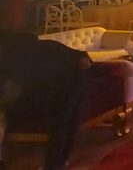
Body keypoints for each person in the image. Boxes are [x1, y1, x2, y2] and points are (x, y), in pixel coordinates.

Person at [1, 30, 91, 170]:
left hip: (58, 94)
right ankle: (56, 163)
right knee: (65, 126)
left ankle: (55, 164)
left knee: (63, 125)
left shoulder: (15, 57)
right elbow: (82, 57)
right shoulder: (47, 47)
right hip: (63, 92)